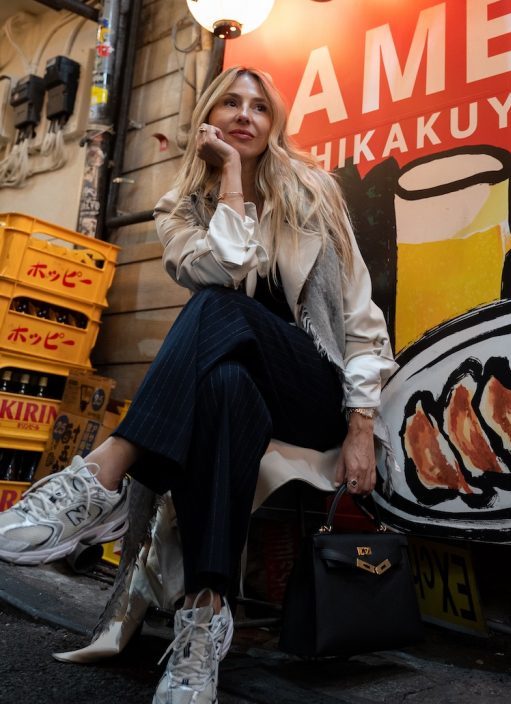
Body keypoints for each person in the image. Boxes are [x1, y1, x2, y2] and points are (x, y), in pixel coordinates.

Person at [0, 66, 397, 704]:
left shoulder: (315, 193)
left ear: (276, 124)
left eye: (259, 108)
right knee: (225, 389)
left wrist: (360, 426)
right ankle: (204, 624)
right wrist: (233, 182)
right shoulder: (180, 210)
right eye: (231, 104)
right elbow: (223, 267)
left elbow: (360, 316)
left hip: (311, 390)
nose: (245, 116)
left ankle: (102, 475)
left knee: (215, 313)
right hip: (246, 396)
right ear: (208, 118)